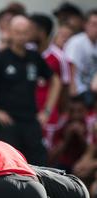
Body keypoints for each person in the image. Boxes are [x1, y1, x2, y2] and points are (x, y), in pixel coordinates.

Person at [0, 15, 60, 166]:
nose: (21, 36)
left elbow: (55, 80)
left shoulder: (34, 57)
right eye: (17, 32)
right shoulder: (1, 58)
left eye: (25, 32)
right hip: (8, 124)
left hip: (32, 122)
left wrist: (47, 111)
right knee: (10, 167)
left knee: (39, 167)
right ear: (10, 32)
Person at [30, 13, 71, 148]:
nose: (28, 32)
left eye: (31, 29)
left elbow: (65, 87)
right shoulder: (27, 53)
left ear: (42, 32)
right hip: (28, 116)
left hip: (48, 117)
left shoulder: (58, 57)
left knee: (47, 159)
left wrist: (61, 114)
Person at [64, 10, 97, 105]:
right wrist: (72, 89)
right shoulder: (77, 42)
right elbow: (70, 65)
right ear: (85, 25)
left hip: (91, 86)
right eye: (94, 24)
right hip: (79, 89)